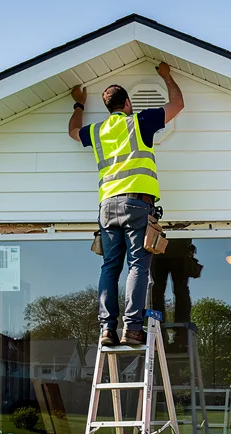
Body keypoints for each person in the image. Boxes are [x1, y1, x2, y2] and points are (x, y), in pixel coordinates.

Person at [68, 63, 185, 347]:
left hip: (107, 207)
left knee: (110, 267)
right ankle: (132, 328)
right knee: (137, 266)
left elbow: (73, 131)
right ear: (128, 104)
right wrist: (167, 76)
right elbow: (178, 104)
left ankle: (107, 329)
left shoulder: (97, 132)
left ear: (108, 107)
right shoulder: (140, 122)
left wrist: (78, 104)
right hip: (136, 204)